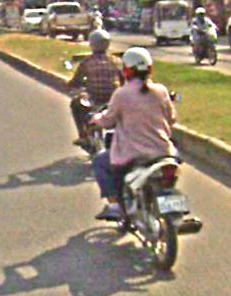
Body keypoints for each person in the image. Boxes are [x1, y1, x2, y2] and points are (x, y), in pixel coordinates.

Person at [91, 47, 177, 220]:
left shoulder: (121, 94)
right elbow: (172, 118)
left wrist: (96, 119)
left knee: (101, 162)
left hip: (131, 154)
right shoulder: (161, 91)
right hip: (162, 151)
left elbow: (108, 120)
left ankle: (115, 205)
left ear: (126, 71)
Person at [67, 29, 123, 146]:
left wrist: (71, 84)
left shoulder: (87, 62)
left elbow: (77, 81)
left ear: (92, 44)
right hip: (113, 99)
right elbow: (123, 80)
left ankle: (83, 136)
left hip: (94, 98)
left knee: (75, 104)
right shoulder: (116, 61)